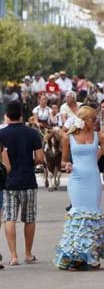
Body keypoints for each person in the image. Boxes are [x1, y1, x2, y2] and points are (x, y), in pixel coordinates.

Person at [54, 106, 104, 271]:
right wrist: (67, 165)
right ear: (84, 119)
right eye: (92, 119)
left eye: (96, 119)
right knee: (79, 214)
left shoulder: (98, 136)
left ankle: (90, 255)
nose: (95, 122)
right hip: (77, 180)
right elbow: (63, 161)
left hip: (93, 179)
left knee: (92, 215)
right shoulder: (68, 138)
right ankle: (76, 256)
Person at [0, 101, 44, 266]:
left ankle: (13, 256)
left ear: (7, 115)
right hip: (28, 181)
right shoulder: (32, 134)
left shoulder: (1, 135)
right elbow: (40, 158)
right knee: (29, 218)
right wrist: (30, 163)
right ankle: (28, 253)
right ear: (21, 114)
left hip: (9, 183)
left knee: (10, 218)